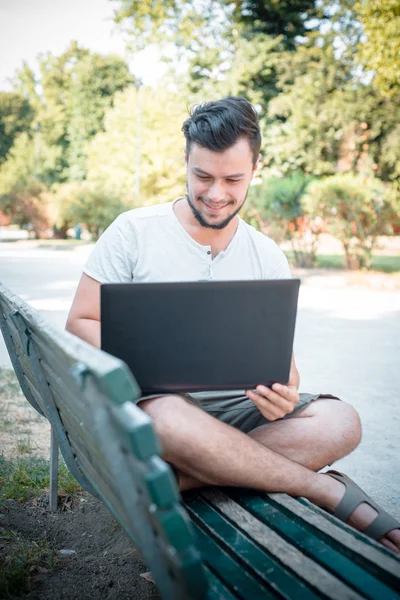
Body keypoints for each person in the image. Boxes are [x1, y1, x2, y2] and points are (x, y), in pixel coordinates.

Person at [66, 96, 399, 553]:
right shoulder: (133, 231)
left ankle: (186, 478)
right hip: (163, 410)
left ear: (254, 170)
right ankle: (325, 490)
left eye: (232, 179)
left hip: (242, 418)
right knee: (165, 416)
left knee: (341, 421)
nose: (216, 193)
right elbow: (80, 319)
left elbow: (286, 366)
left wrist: (282, 397)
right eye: (202, 176)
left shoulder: (266, 254)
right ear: (185, 161)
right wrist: (145, 358)